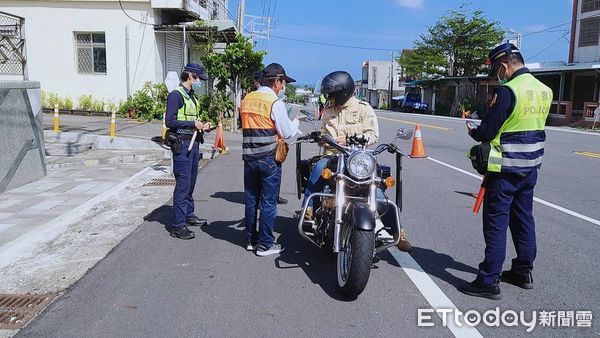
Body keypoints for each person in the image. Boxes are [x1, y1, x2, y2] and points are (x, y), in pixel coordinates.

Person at [459, 43, 552, 300]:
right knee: (523, 219)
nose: (498, 76)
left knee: (496, 223)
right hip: (530, 168)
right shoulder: (544, 90)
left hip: (505, 170)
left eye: (497, 71)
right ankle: (523, 271)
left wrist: (474, 131)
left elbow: (488, 131)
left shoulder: (508, 91)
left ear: (503, 66)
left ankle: (488, 280)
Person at [302, 71, 412, 252]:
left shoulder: (363, 108)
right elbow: (323, 133)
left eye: (332, 94)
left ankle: (398, 232)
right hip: (332, 156)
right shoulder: (328, 110)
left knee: (377, 190)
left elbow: (373, 134)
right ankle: (309, 210)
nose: (330, 97)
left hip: (357, 158)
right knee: (317, 168)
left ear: (343, 91)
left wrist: (348, 139)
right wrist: (321, 139)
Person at [241, 63, 300, 256]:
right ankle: (265, 244)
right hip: (268, 158)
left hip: (249, 156)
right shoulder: (275, 103)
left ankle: (251, 240)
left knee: (251, 199)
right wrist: (296, 121)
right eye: (282, 82)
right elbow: (286, 132)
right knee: (268, 201)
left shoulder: (247, 99)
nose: (283, 87)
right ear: (276, 81)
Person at [164, 63, 212, 240]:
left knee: (190, 184)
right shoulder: (175, 95)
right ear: (190, 76)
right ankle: (178, 225)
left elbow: (192, 118)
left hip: (194, 143)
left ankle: (189, 215)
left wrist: (202, 126)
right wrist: (193, 124)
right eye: (198, 78)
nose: (199, 81)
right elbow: (170, 121)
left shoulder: (191, 96)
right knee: (183, 185)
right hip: (182, 145)